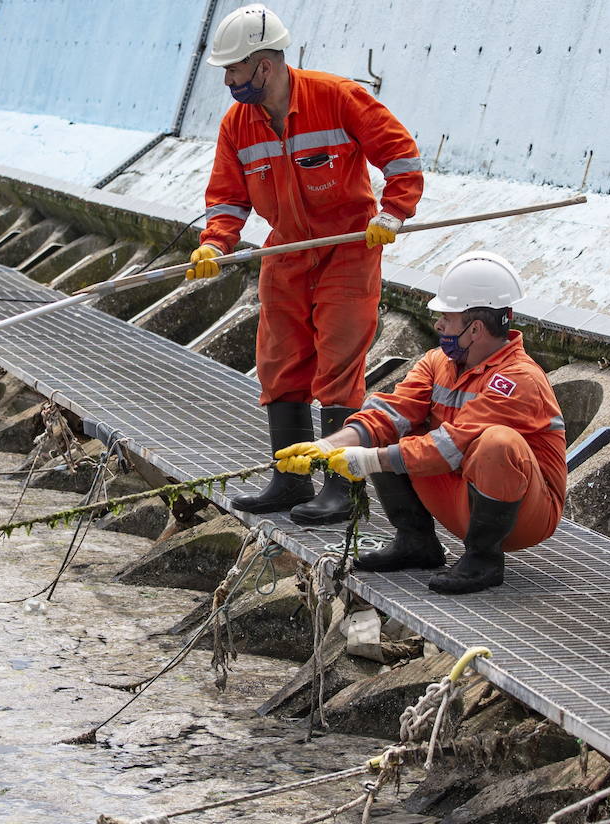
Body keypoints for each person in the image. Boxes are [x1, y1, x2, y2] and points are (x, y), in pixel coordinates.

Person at [189, 4, 424, 526]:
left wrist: (394, 213)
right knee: (280, 362)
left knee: (339, 361)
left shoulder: (336, 97)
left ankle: (340, 486)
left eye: (234, 70)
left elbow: (401, 156)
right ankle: (290, 477)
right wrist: (215, 245)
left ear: (264, 66)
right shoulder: (237, 125)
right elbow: (227, 198)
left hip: (348, 245)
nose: (228, 80)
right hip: (287, 250)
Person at [274, 252, 567, 594]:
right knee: (384, 420)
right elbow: (392, 413)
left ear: (475, 329)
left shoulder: (518, 379)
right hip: (463, 492)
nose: (439, 325)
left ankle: (483, 559)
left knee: (497, 443)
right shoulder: (436, 362)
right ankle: (415, 541)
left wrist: (370, 460)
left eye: (446, 317)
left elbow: (451, 445)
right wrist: (329, 446)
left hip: (522, 516)